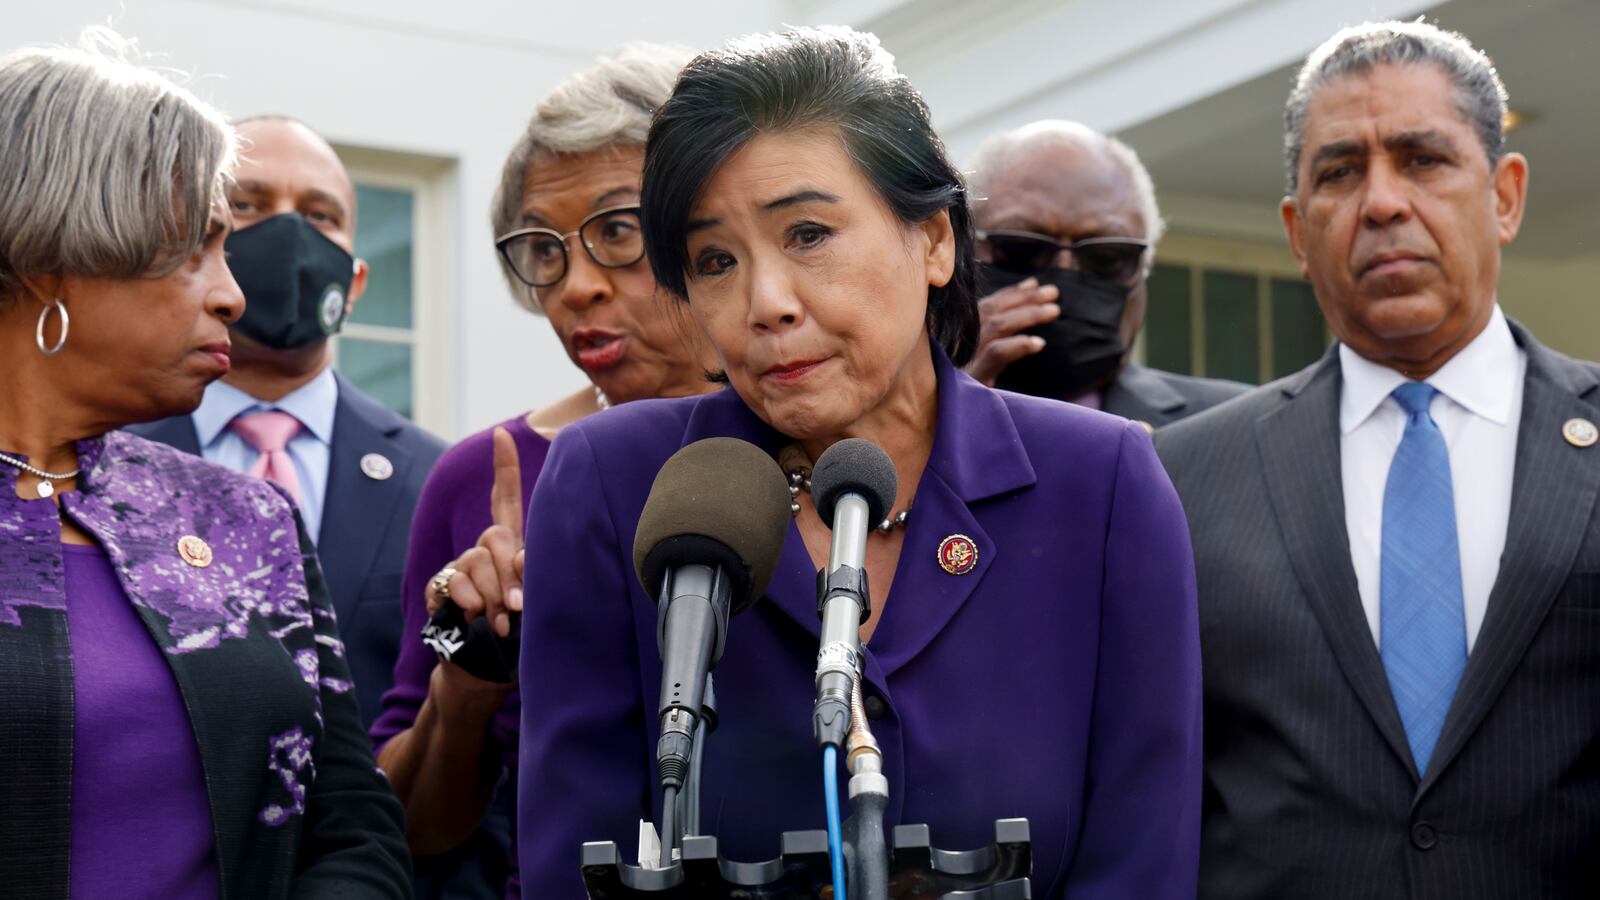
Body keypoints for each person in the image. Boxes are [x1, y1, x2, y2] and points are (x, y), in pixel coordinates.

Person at [516, 26, 1201, 898]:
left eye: (807, 233)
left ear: (936, 242)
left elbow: (1143, 858)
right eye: (716, 261)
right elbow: (572, 861)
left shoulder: (1101, 485)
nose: (766, 303)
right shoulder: (612, 486)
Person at [1154, 20, 1600, 898]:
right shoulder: (1182, 476)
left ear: (1505, 197)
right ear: (1296, 227)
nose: (1383, 203)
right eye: (1340, 172)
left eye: (1423, 159)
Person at [0, 29, 410, 898]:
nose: (233, 292)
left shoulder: (245, 519)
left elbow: (353, 830)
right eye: (198, 247)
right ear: (50, 260)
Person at [368, 43, 718, 898]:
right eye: (543, 250)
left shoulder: (828, 445)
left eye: (618, 232)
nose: (575, 287)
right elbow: (413, 827)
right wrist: (471, 677)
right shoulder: (482, 476)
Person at [131, 115, 447, 729]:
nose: (289, 234)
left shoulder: (436, 477)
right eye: (248, 205)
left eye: (320, 215)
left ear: (354, 285)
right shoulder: (104, 457)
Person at [965, 120, 1248, 427]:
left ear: (1144, 268)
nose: (1062, 278)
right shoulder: (913, 422)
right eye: (1022, 248)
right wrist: (949, 408)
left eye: (1105, 257)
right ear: (958, 254)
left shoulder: (1239, 425)